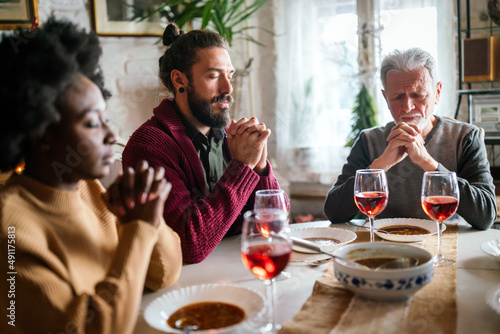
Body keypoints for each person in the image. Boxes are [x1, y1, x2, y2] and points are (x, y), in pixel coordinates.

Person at [0, 18, 182, 333]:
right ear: (43, 134)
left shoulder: (91, 189)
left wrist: (147, 218)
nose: (112, 134)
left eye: (105, 118)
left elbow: (164, 274)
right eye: (91, 123)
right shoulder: (11, 231)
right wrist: (138, 228)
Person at [122, 23, 287, 263]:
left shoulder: (234, 136)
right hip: (182, 287)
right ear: (180, 80)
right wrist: (242, 167)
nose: (228, 88)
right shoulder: (149, 146)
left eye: (229, 75)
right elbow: (188, 245)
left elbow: (275, 226)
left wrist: (260, 169)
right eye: (213, 75)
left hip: (240, 270)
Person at [324, 47, 496, 230]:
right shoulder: (369, 140)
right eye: (397, 97)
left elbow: (485, 216)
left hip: (447, 245)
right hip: (385, 246)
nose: (407, 107)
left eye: (418, 95)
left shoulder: (466, 137)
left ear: (437, 92)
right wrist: (381, 164)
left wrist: (429, 163)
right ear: (385, 98)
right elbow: (334, 212)